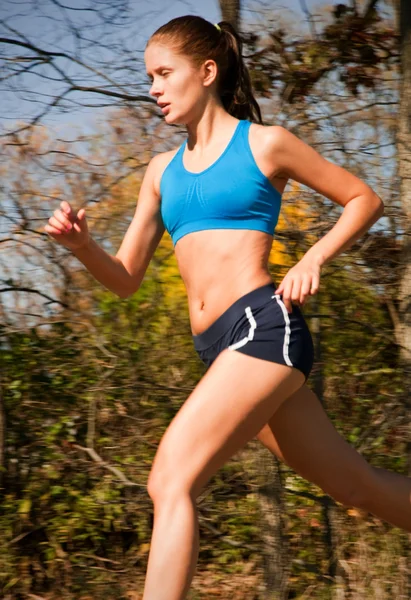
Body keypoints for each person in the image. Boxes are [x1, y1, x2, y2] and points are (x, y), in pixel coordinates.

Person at [44, 14, 411, 600]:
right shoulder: (161, 172)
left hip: (263, 328)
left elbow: (364, 198)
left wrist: (312, 258)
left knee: (169, 479)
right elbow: (125, 280)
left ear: (207, 72)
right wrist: (83, 246)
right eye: (149, 78)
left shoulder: (265, 143)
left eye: (165, 74)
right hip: (219, 352)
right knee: (355, 485)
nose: (154, 89)